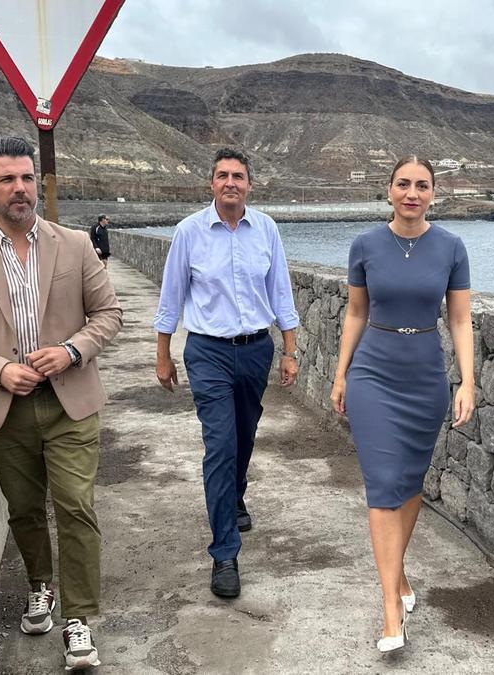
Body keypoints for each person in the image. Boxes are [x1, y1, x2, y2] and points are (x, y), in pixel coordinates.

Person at [0, 136, 122, 671]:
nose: (20, 189)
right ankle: (41, 586)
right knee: (24, 509)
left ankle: (79, 618)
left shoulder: (75, 245)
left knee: (76, 506)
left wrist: (70, 351)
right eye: (8, 179)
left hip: (70, 404)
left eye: (27, 178)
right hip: (6, 410)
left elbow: (108, 314)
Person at [330, 156, 475, 654]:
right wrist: (341, 374)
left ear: (433, 193)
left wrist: (468, 381)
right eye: (403, 184)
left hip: (425, 377)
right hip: (373, 374)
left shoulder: (452, 247)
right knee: (382, 485)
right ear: (389, 190)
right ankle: (391, 606)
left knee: (410, 483)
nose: (412, 193)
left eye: (422, 185)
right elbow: (355, 312)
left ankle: (398, 573)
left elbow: (460, 320)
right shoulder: (365, 245)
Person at [153, 147, 300, 599]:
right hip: (208, 352)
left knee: (245, 433)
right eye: (223, 175)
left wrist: (290, 350)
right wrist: (163, 354)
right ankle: (224, 554)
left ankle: (234, 494)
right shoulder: (189, 232)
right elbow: (171, 296)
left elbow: (280, 291)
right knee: (220, 445)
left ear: (250, 185)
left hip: (256, 349)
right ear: (211, 184)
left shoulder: (267, 229)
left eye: (238, 176)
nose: (230, 182)